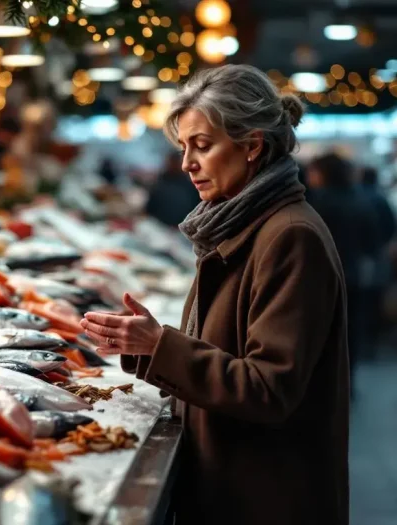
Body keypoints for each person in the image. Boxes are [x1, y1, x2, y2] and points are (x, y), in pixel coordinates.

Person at [80, 65, 349, 525]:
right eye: (184, 147)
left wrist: (160, 344)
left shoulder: (289, 236)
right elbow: (224, 350)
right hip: (231, 484)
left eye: (202, 146)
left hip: (267, 500)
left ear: (251, 146)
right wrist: (144, 347)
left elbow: (268, 388)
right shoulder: (240, 223)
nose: (187, 163)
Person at [307, 154, 381, 387]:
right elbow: (373, 241)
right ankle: (347, 380)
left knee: (322, 333)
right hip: (354, 276)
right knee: (350, 331)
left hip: (319, 280)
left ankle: (326, 382)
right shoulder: (360, 202)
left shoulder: (315, 204)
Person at [359, 166, 397, 356]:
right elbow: (391, 227)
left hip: (352, 259)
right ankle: (372, 340)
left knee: (357, 304)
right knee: (374, 300)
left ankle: (361, 341)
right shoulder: (381, 200)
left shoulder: (356, 198)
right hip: (375, 257)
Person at [144, 151, 203, 227]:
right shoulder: (159, 184)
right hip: (162, 228)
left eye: (176, 162)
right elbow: (150, 208)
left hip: (185, 227)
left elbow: (197, 207)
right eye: (171, 162)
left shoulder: (190, 185)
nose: (173, 165)